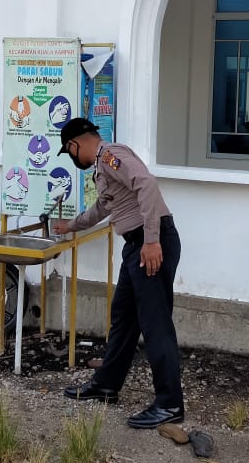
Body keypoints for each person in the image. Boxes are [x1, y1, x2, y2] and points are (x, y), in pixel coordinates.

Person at [53, 117, 184, 430]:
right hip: (136, 246)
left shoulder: (110, 155)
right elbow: (102, 208)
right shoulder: (103, 166)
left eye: (69, 151)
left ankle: (170, 404)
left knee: (155, 324)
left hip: (150, 244)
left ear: (75, 144)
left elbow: (147, 184)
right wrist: (71, 226)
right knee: (123, 317)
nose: (72, 158)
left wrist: (152, 241)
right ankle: (107, 384)